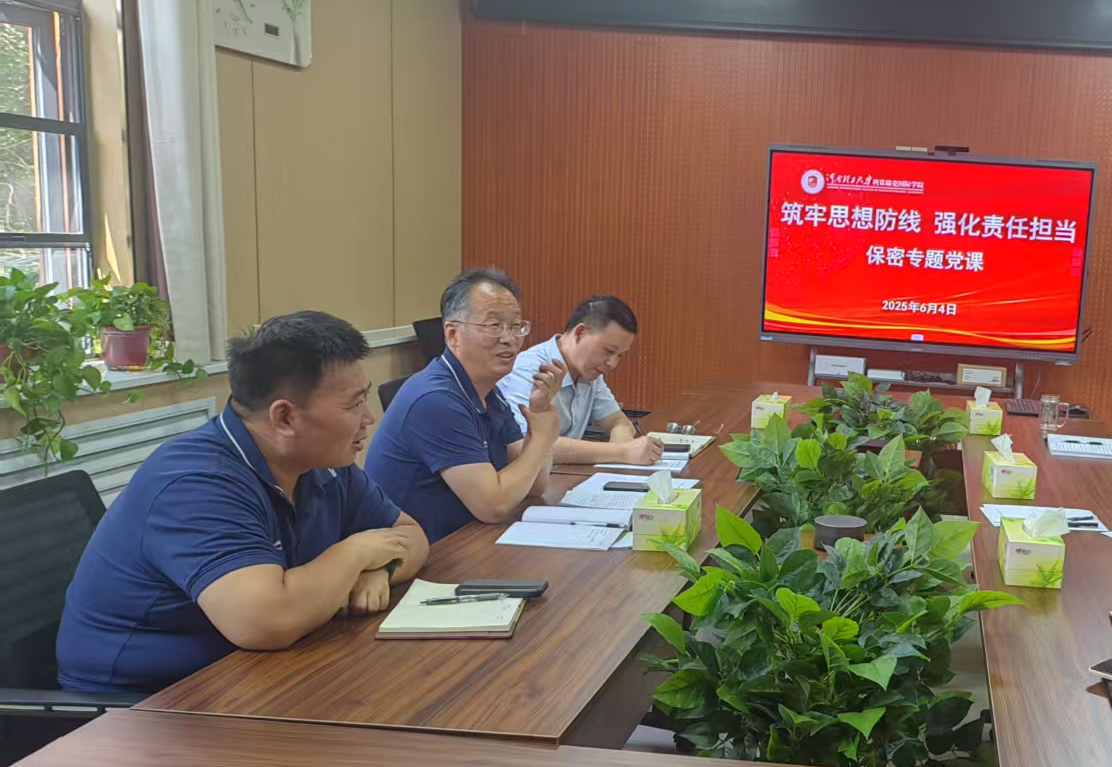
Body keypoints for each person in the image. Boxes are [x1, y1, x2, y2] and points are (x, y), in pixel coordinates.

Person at [56, 312, 429, 695]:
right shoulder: (195, 482)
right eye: (354, 404)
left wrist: (378, 571)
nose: (369, 418)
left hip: (252, 673)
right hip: (140, 703)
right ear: (285, 417)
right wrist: (356, 553)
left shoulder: (323, 463)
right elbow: (265, 622)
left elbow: (411, 534)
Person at [366, 267, 566, 542]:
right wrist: (542, 437)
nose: (509, 338)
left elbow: (535, 485)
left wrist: (539, 413)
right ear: (452, 334)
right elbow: (493, 506)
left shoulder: (490, 393)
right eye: (494, 326)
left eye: (515, 326)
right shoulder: (436, 400)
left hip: (465, 539)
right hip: (420, 555)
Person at [497, 294, 660, 467]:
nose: (613, 364)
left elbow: (617, 421)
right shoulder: (531, 369)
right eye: (609, 351)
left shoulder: (590, 372)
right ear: (580, 333)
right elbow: (524, 447)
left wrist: (623, 442)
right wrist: (621, 452)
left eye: (620, 355)